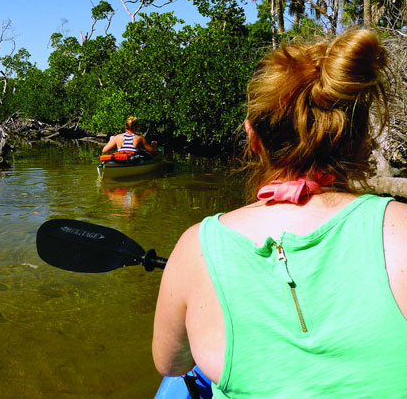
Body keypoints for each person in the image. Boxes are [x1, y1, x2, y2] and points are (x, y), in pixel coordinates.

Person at [152, 29, 407, 397]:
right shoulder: (400, 228)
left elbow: (170, 364)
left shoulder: (196, 248)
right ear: (359, 136)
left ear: (252, 138)